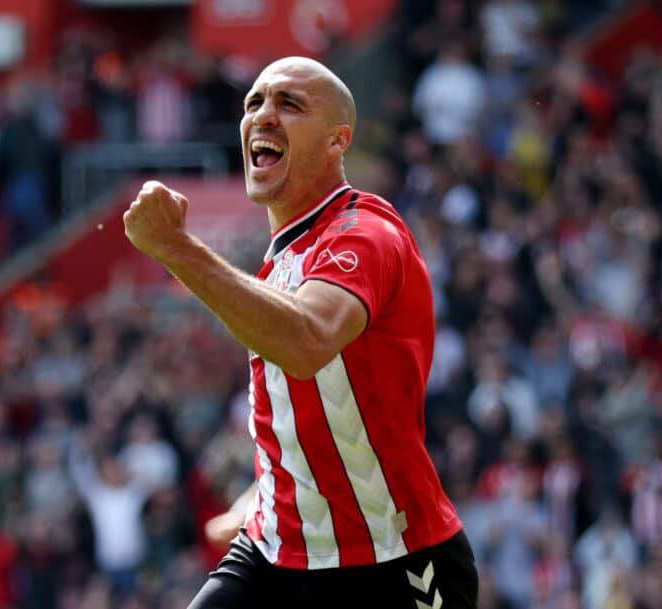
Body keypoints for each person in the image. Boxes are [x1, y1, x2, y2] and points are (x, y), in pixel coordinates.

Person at [123, 56, 478, 609]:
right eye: (253, 103)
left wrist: (175, 247)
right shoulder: (280, 260)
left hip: (395, 562)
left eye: (289, 104)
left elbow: (306, 343)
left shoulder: (365, 234)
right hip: (276, 553)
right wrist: (258, 495)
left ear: (339, 141)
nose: (263, 115)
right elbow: (303, 418)